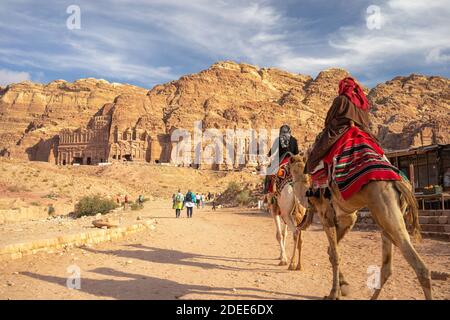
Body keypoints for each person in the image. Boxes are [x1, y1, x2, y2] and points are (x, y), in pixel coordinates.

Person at [305, 77, 375, 174]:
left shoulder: (341, 99)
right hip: (363, 131)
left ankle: (312, 173)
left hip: (341, 130)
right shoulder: (364, 103)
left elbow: (329, 119)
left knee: (316, 152)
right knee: (375, 144)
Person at [263, 125, 300, 193]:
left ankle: (266, 189)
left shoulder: (278, 139)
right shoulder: (294, 140)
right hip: (292, 159)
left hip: (281, 159)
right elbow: (296, 153)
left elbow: (273, 150)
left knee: (269, 170)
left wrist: (269, 154)